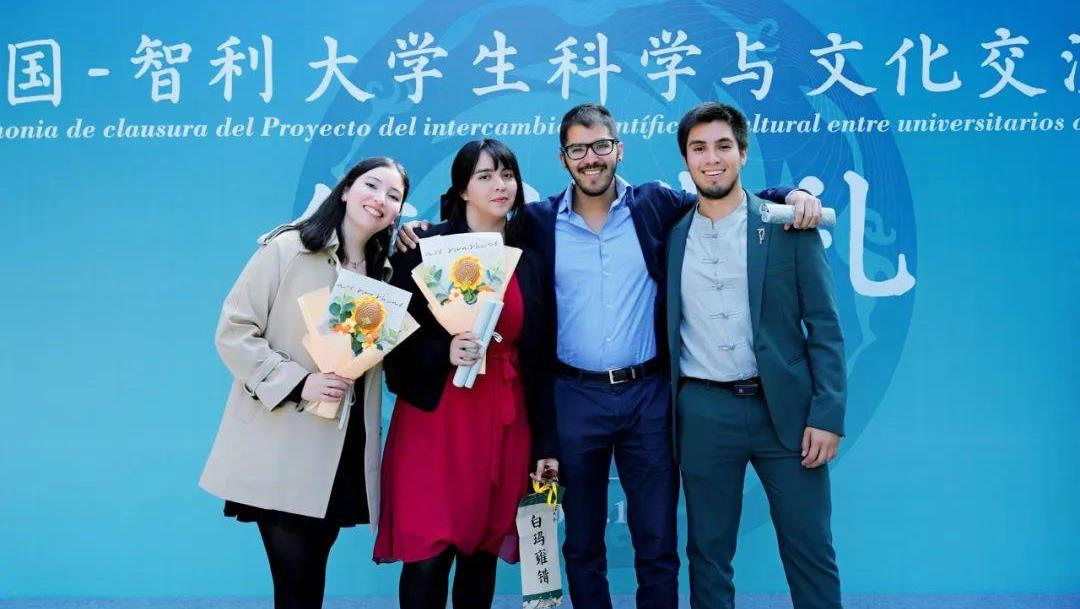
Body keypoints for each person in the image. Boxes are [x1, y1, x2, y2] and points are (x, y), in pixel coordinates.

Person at [398, 103, 823, 609]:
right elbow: (471, 239)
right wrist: (421, 231)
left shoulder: (654, 204)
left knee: (658, 543)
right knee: (582, 545)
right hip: (574, 396)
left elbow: (720, 195)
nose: (591, 158)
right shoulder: (537, 223)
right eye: (578, 149)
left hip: (647, 397)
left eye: (601, 145)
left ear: (618, 149)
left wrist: (789, 195)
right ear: (563, 158)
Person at [200, 157, 409, 609]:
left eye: (394, 196)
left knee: (310, 582)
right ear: (346, 189)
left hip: (342, 447)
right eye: (372, 186)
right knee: (296, 586)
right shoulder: (289, 248)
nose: (381, 199)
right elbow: (234, 331)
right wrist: (299, 383)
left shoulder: (383, 271)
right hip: (284, 443)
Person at [666, 102, 844, 609]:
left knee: (810, 549)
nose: (712, 159)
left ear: (743, 153)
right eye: (699, 149)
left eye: (724, 146)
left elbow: (825, 326)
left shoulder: (788, 226)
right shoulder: (671, 234)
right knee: (708, 555)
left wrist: (827, 414)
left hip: (786, 411)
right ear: (686, 159)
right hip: (703, 412)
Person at [375, 139, 559, 609]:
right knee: (427, 557)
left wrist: (546, 444)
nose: (500, 186)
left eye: (508, 175)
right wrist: (443, 350)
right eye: (485, 176)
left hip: (505, 422)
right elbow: (390, 342)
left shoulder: (530, 257)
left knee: (481, 556)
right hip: (434, 421)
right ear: (461, 189)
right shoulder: (422, 247)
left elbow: (540, 359)